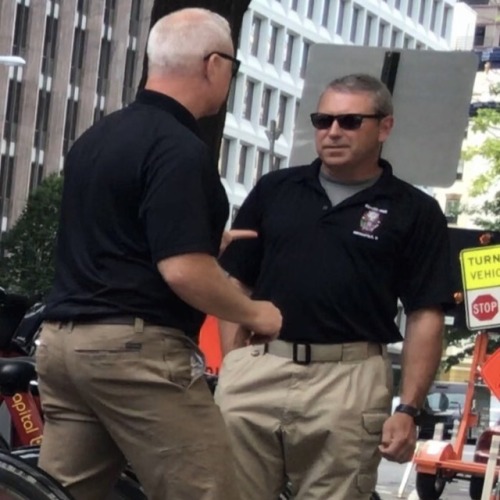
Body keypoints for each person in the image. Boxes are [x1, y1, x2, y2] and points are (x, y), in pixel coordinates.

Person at [36, 8, 281, 500]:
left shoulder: (96, 139)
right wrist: (259, 313)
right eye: (234, 65)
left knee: (61, 494)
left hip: (63, 346)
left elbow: (116, 238)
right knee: (211, 492)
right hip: (135, 354)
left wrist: (203, 240)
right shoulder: (179, 149)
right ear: (214, 64)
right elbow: (183, 271)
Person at [215, 73, 454, 500]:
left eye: (349, 121)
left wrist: (408, 409)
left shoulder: (414, 211)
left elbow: (425, 314)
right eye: (323, 120)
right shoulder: (276, 190)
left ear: (384, 127)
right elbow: (236, 284)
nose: (333, 132)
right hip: (259, 369)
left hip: (350, 380)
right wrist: (235, 364)